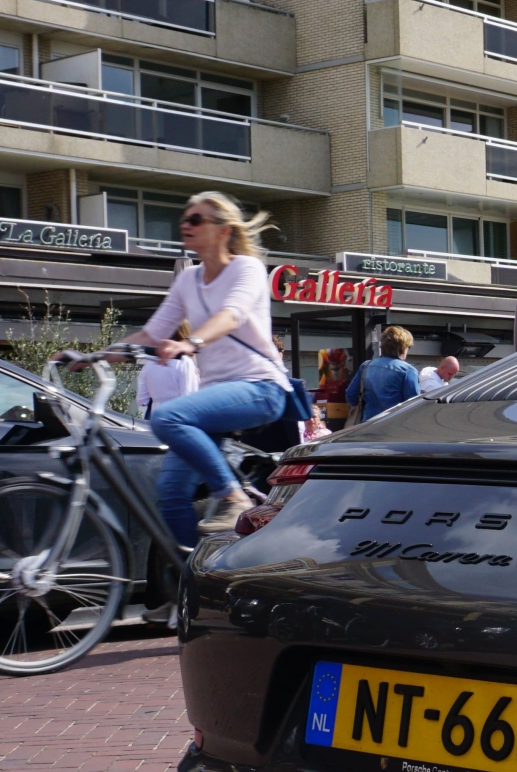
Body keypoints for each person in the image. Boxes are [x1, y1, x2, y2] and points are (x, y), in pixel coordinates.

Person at [123, 192, 291, 543]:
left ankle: (233, 497)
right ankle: (188, 582)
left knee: (166, 417)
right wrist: (98, 354)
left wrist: (190, 343)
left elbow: (231, 315)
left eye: (196, 219)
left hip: (261, 388)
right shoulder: (188, 279)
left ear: (222, 230)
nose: (185, 224)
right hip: (216, 398)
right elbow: (153, 332)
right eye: (184, 219)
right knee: (170, 494)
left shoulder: (247, 269)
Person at [346, 325, 421, 423]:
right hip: (394, 427)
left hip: (367, 425)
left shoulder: (366, 366)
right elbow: (413, 405)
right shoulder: (408, 371)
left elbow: (351, 396)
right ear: (403, 348)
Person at [137, 320, 201, 419]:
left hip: (153, 418)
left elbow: (141, 400)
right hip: (176, 417)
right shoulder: (184, 362)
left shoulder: (150, 362)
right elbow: (189, 398)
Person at [313, 348, 353, 430]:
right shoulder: (324, 380)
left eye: (338, 365)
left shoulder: (346, 383)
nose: (335, 370)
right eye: (332, 365)